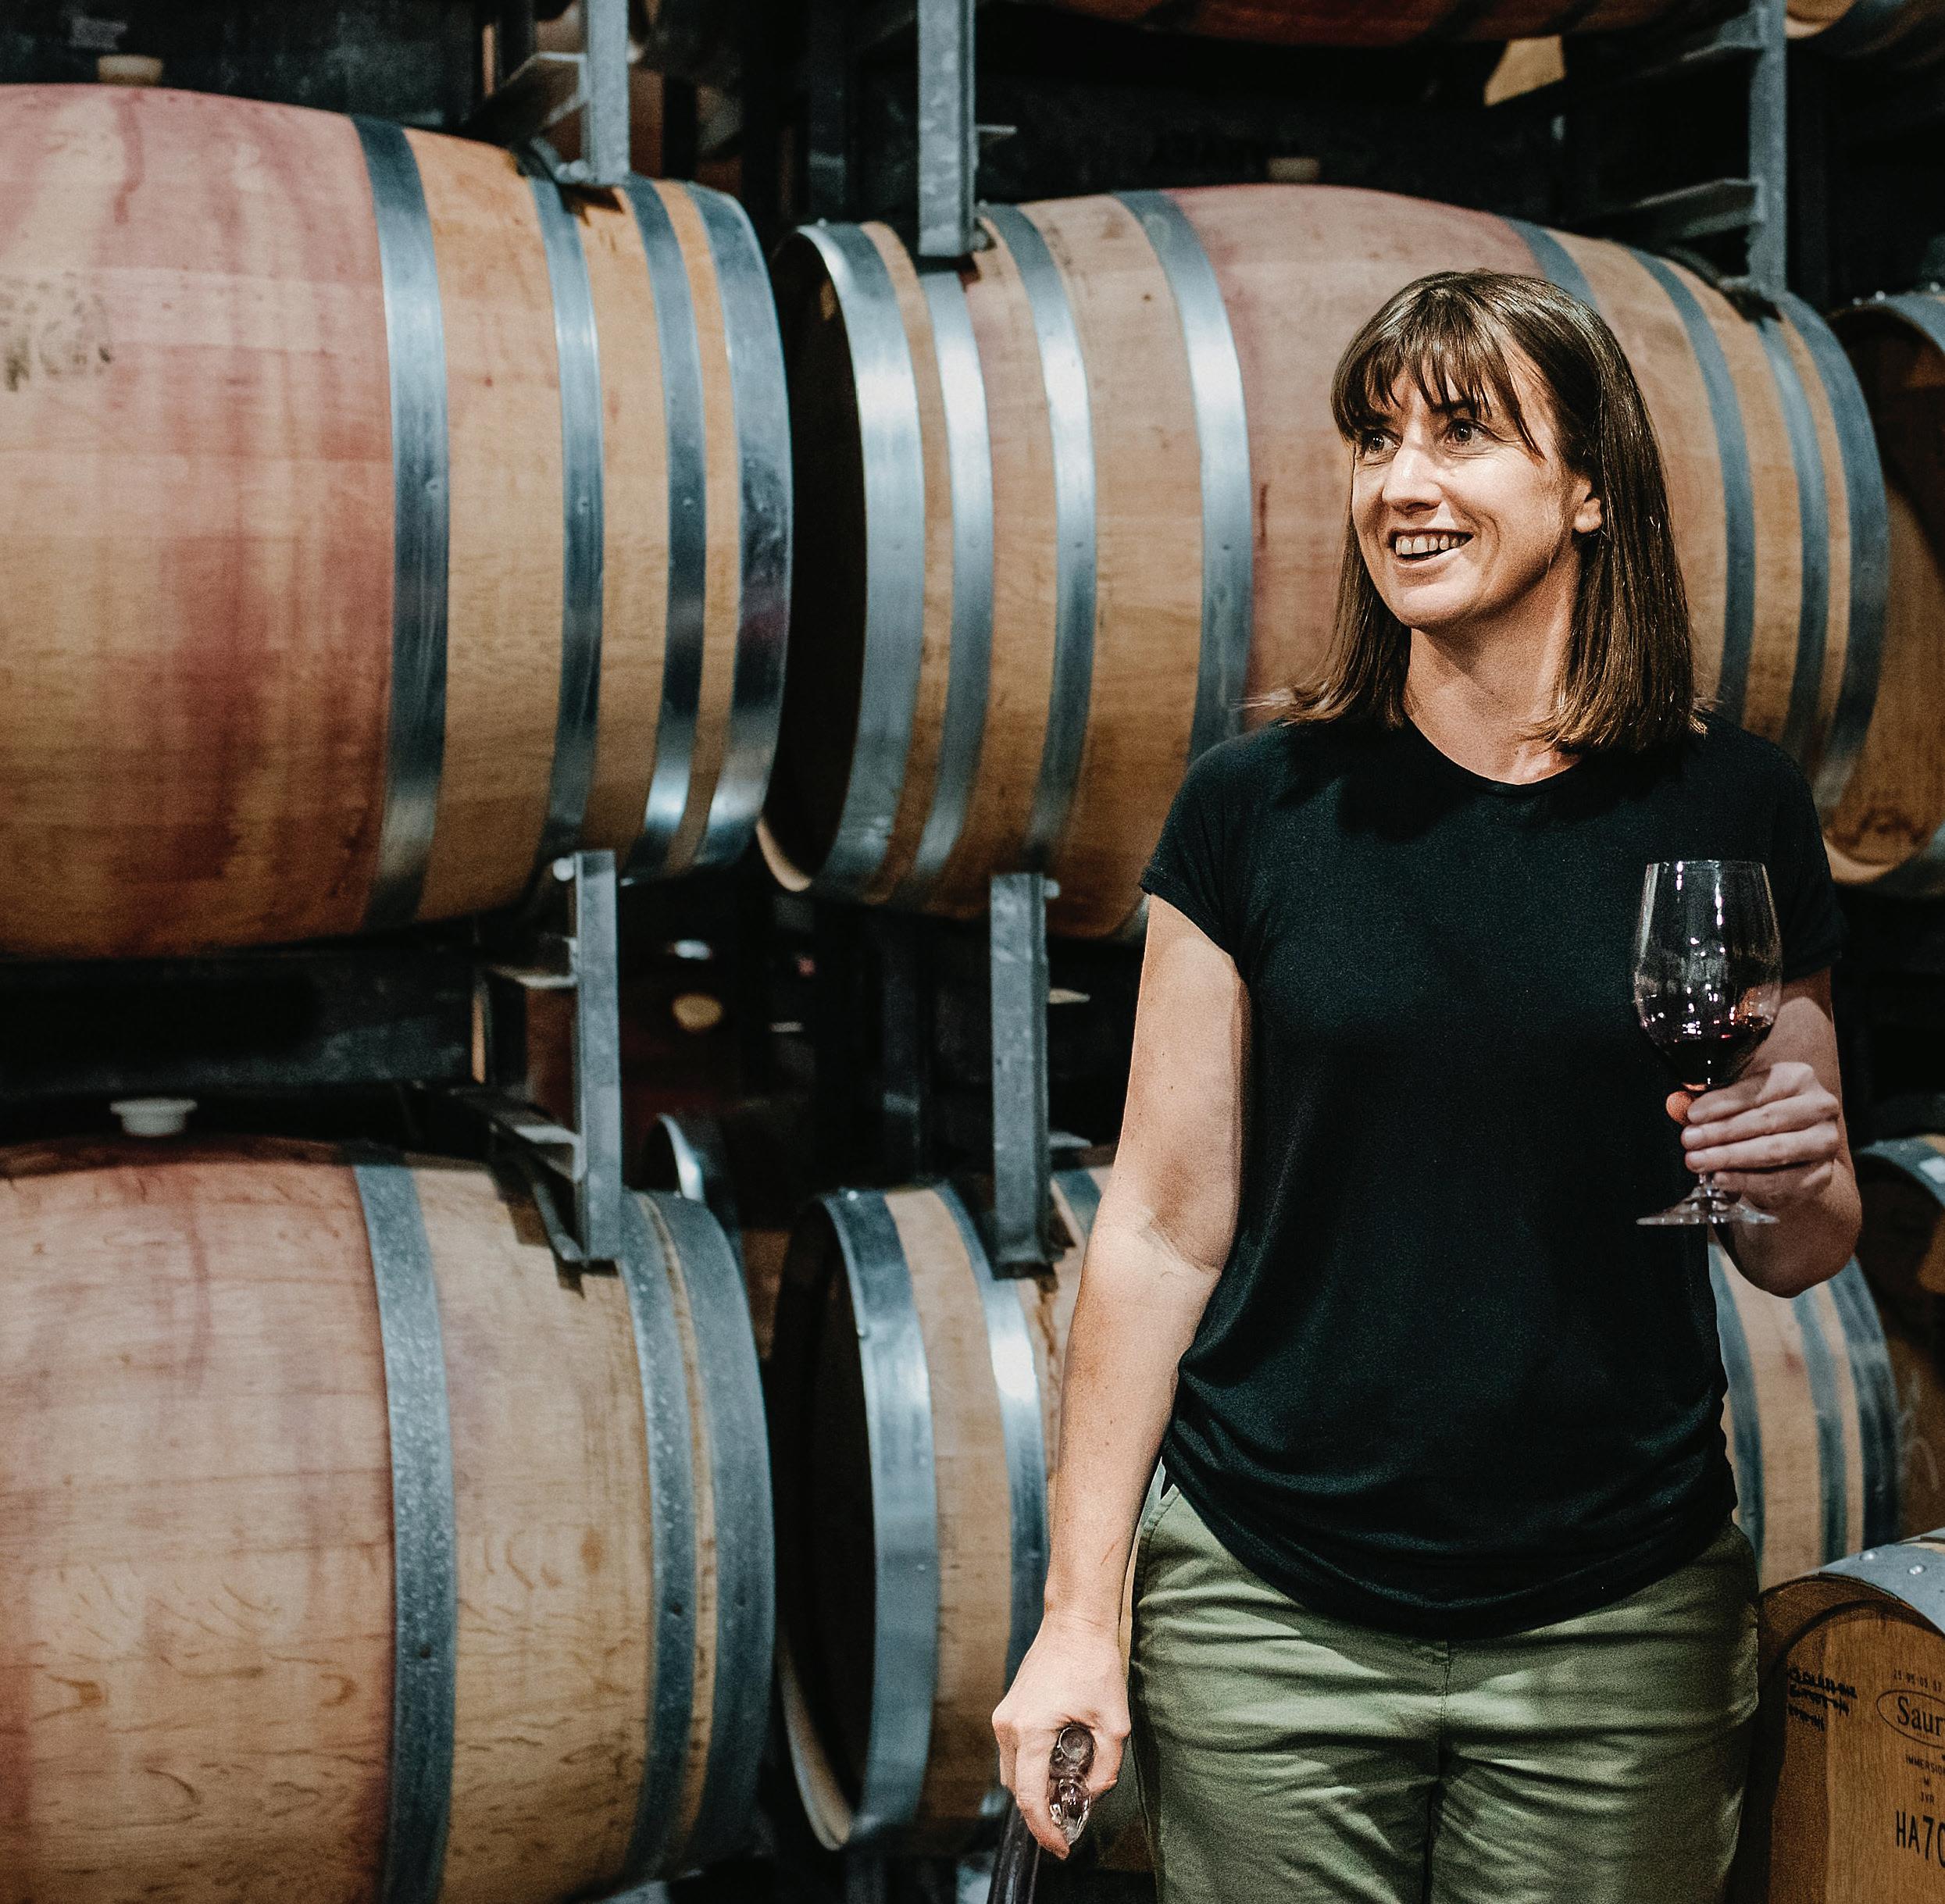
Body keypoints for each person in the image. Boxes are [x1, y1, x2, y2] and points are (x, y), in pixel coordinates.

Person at [990, 269, 1859, 1903]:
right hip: (1268, 1611)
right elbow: (1160, 1231)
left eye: (1461, 433)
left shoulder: (1729, 805)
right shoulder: (1255, 809)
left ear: (1587, 485)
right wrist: (1077, 1617)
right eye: (1374, 438)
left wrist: (1796, 1171)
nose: (1401, 482)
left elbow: (1797, 1240)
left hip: (1617, 1623)